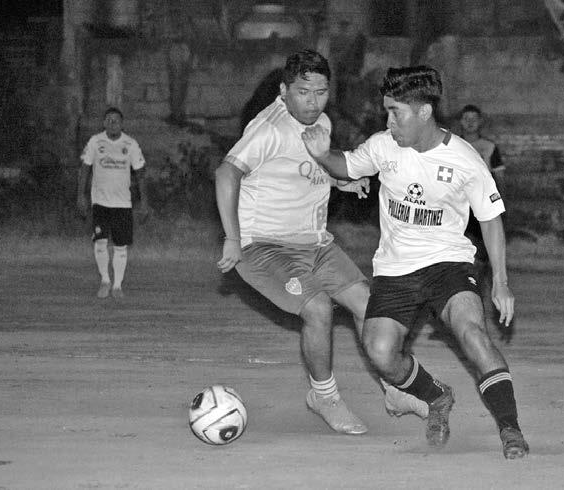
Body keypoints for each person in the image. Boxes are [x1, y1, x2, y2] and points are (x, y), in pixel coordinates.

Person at [300, 66, 529, 458]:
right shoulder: (383, 146)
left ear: (424, 112)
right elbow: (346, 166)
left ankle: (511, 429)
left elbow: (491, 219)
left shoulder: (464, 159)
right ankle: (436, 396)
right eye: (387, 111)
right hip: (395, 269)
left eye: (396, 112)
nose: (389, 121)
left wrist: (502, 282)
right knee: (380, 353)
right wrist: (323, 154)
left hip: (448, 263)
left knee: (473, 334)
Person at [214, 49, 425, 436]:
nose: (313, 102)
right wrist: (232, 238)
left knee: (369, 305)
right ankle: (324, 396)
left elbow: (306, 167)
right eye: (303, 92)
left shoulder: (320, 122)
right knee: (318, 308)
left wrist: (342, 180)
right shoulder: (268, 129)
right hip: (265, 246)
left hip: (315, 243)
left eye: (321, 92)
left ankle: (393, 389)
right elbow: (226, 174)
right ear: (284, 91)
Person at [77, 107, 150, 299]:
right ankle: (105, 281)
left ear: (122, 124)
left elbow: (141, 174)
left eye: (116, 120)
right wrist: (81, 196)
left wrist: (144, 202)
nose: (112, 123)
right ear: (104, 123)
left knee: (120, 245)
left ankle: (117, 286)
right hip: (100, 202)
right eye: (108, 120)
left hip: (122, 203)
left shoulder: (130, 144)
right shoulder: (95, 142)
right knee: (100, 241)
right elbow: (84, 169)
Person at [457, 104, 510, 341]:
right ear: (460, 121)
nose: (470, 122)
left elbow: (500, 178)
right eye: (465, 118)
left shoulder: (489, 147)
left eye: (474, 118)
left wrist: (501, 208)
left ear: (480, 122)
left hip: (482, 212)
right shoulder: (452, 144)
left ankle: (472, 314)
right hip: (459, 211)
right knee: (457, 261)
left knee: (479, 263)